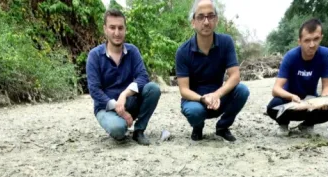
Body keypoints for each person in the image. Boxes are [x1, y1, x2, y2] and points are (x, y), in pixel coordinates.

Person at [175, 0, 250, 142]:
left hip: (219, 98)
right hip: (195, 100)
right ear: (193, 22)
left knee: (242, 90)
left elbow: (235, 76)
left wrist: (216, 94)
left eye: (210, 16)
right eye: (200, 17)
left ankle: (222, 127)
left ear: (216, 20)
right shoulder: (183, 51)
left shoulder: (226, 42)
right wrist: (203, 98)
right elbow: (184, 90)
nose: (206, 22)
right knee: (194, 111)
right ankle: (198, 127)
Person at [86, 9, 161, 145]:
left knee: (153, 89)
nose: (117, 33)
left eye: (120, 28)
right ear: (105, 29)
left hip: (129, 101)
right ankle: (121, 123)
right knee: (118, 130)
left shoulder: (132, 51)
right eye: (112, 27)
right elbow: (94, 90)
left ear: (125, 29)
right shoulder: (94, 56)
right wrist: (118, 108)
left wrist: (125, 94)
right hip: (105, 107)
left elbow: (143, 77)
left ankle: (139, 131)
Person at [266, 18, 328, 136]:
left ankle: (307, 124)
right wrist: (291, 96)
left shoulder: (326, 54)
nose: (312, 45)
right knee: (273, 106)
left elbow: (327, 86)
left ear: (321, 37)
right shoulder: (290, 56)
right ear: (300, 41)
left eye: (316, 39)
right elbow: (276, 89)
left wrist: (325, 99)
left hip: (311, 100)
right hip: (290, 100)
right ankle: (283, 124)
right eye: (307, 40)